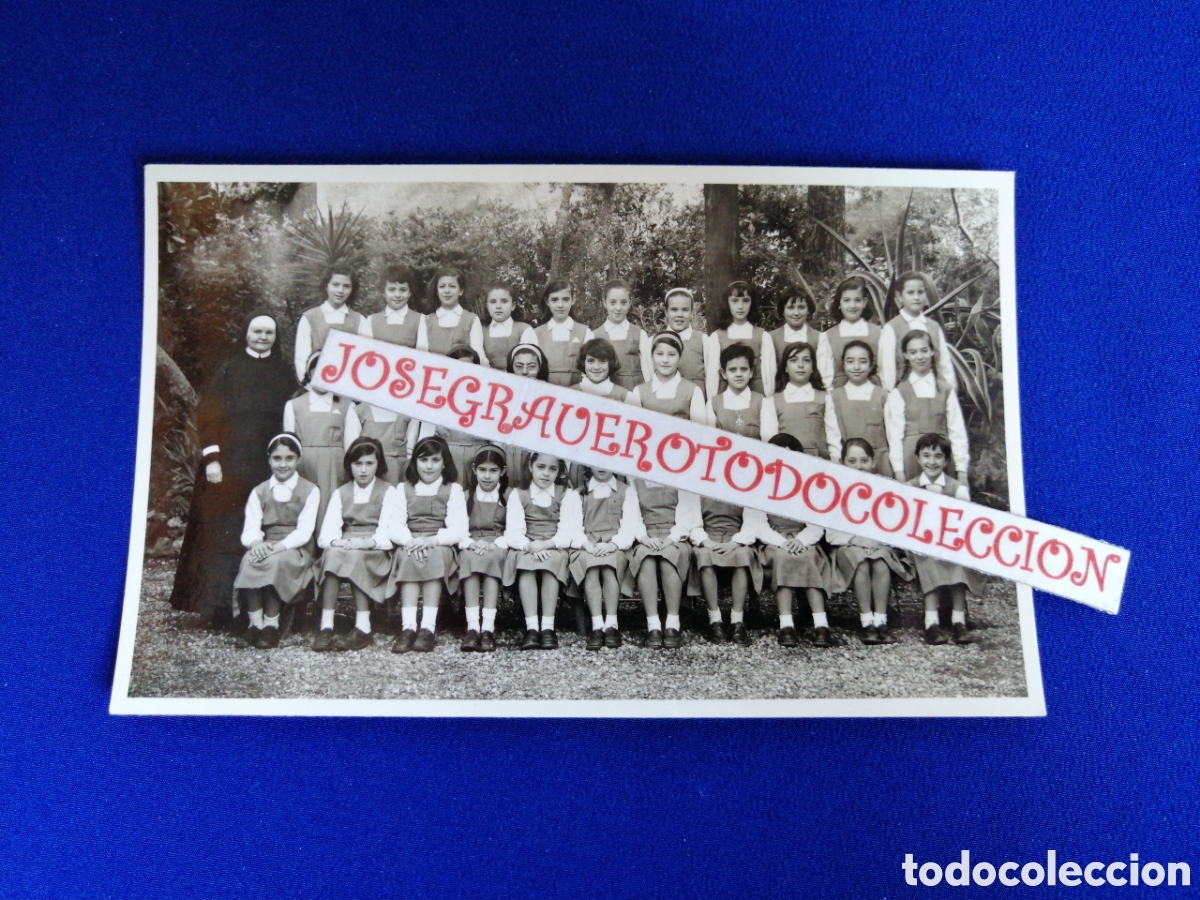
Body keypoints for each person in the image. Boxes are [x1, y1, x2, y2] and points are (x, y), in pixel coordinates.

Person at [170, 311, 298, 627]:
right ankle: (217, 609)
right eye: (257, 331)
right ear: (246, 333)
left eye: (269, 332)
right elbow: (209, 415)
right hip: (226, 466)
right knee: (224, 535)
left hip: (265, 467)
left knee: (259, 532)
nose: (263, 337)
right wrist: (212, 459)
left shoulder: (283, 374)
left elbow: (290, 421)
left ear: (275, 337)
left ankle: (257, 608)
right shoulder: (228, 369)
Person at [232, 433, 320, 649]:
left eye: (289, 458)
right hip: (267, 544)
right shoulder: (259, 491)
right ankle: (255, 624)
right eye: (277, 458)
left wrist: (278, 547)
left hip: (295, 548)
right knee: (251, 560)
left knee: (276, 562)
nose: (283, 464)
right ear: (269, 459)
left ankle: (271, 624)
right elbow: (250, 529)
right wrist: (256, 544)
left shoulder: (310, 490)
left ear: (298, 459)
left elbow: (304, 531)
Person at [313, 437, 398, 652]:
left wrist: (367, 542)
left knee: (355, 557)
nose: (363, 470)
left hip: (375, 549)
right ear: (350, 465)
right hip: (347, 546)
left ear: (378, 465)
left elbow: (389, 534)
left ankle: (363, 627)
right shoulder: (341, 493)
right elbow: (325, 536)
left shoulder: (388, 491)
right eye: (357, 464)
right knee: (331, 555)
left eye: (369, 464)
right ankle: (326, 626)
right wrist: (340, 542)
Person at [387, 436, 469, 653]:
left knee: (433, 556)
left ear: (444, 462)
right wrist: (410, 541)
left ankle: (428, 628)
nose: (429, 466)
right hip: (411, 542)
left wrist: (431, 540)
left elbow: (459, 530)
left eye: (435, 460)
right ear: (415, 462)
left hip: (439, 543)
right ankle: (408, 627)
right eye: (424, 460)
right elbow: (395, 525)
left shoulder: (453, 489)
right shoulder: (403, 489)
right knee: (407, 556)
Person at [825, 438, 911, 645]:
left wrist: (875, 539)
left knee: (881, 561)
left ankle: (881, 620)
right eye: (852, 461)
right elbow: (831, 534)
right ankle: (866, 622)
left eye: (864, 460)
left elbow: (892, 525)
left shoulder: (882, 490)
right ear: (843, 463)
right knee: (861, 562)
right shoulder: (836, 491)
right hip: (847, 547)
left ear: (873, 462)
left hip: (876, 545)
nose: (859, 466)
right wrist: (856, 538)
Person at [906, 433, 986, 645]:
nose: (932, 462)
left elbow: (964, 521)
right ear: (917, 458)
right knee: (928, 560)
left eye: (938, 456)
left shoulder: (956, 489)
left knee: (958, 561)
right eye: (926, 456)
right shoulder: (910, 487)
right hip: (920, 543)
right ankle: (931, 623)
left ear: (947, 460)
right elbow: (907, 521)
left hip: (950, 541)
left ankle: (958, 621)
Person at [500, 453, 584, 650]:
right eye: (541, 467)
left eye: (552, 469)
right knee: (526, 565)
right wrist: (531, 546)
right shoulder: (518, 494)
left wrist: (546, 545)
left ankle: (548, 627)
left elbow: (568, 532)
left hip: (554, 546)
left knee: (551, 564)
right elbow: (513, 532)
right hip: (526, 546)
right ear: (530, 466)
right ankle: (531, 628)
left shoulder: (567, 494)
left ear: (559, 471)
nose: (546, 473)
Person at [758, 434, 834, 648]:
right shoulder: (761, 485)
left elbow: (817, 523)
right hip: (775, 541)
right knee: (783, 559)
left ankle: (821, 624)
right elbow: (759, 525)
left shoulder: (809, 485)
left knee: (808, 557)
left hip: (804, 539)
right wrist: (781, 542)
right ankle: (786, 625)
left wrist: (801, 540)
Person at [284, 352, 359, 528]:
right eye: (319, 370)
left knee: (331, 508)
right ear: (309, 373)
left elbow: (352, 446)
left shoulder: (347, 405)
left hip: (335, 466)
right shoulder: (294, 405)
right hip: (305, 465)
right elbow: (289, 445)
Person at [884, 330, 969, 481]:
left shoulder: (945, 390)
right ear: (906, 355)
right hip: (911, 458)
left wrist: (961, 470)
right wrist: (898, 470)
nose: (919, 357)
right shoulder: (900, 392)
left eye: (924, 351)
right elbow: (895, 436)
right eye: (913, 352)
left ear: (931, 352)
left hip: (942, 455)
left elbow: (957, 431)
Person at [571, 468, 640, 650]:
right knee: (591, 568)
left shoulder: (627, 490)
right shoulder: (579, 493)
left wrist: (613, 545)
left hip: (615, 545)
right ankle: (596, 625)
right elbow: (574, 526)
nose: (601, 468)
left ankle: (611, 624)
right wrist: (587, 545)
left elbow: (629, 525)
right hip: (588, 545)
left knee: (610, 567)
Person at [631, 479, 700, 649]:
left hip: (674, 538)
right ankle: (653, 626)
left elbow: (685, 520)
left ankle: (672, 624)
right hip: (647, 538)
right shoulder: (635, 482)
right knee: (644, 558)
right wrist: (645, 539)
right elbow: (634, 518)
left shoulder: (681, 483)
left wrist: (669, 540)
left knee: (670, 558)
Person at [690, 494, 762, 647]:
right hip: (709, 539)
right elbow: (694, 524)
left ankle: (737, 621)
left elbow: (751, 525)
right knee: (704, 556)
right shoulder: (697, 489)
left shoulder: (744, 490)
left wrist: (734, 543)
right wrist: (706, 541)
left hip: (736, 540)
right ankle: (715, 621)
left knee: (743, 556)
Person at [458, 446, 511, 652]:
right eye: (482, 470)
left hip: (498, 545)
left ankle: (488, 627)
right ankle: (473, 627)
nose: (487, 476)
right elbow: (459, 531)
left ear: (503, 471)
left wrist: (493, 544)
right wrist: (472, 544)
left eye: (493, 471)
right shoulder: (464, 496)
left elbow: (513, 531)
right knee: (470, 558)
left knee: (491, 558)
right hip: (471, 544)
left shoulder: (509, 496)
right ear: (474, 469)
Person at [414, 345, 488, 486]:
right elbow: (426, 435)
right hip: (450, 456)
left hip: (480, 456)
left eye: (469, 367)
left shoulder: (487, 396)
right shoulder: (438, 396)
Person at [878, 271, 956, 391]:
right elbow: (887, 370)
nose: (916, 297)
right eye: (910, 293)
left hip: (935, 393)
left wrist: (949, 392)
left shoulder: (934, 327)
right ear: (899, 297)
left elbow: (944, 364)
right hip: (905, 393)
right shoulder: (891, 329)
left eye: (920, 292)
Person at [827, 340, 893, 477]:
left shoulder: (883, 396)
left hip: (880, 463)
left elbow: (892, 436)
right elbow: (833, 437)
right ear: (843, 364)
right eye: (850, 361)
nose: (856, 367)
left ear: (871, 365)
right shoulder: (834, 397)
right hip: (849, 465)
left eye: (863, 361)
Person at [293, 264, 365, 381]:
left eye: (346, 286)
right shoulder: (310, 318)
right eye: (335, 285)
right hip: (317, 387)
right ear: (326, 286)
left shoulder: (359, 320)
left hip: (348, 388)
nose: (340, 291)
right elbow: (302, 358)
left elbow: (363, 359)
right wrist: (312, 388)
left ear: (352, 289)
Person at [706, 280, 776, 398]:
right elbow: (712, 375)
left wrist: (768, 398)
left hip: (756, 396)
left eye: (745, 301)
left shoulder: (763, 336)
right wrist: (712, 402)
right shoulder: (717, 337)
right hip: (726, 397)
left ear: (751, 303)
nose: (740, 306)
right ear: (727, 303)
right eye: (734, 301)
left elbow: (769, 373)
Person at [817, 275, 881, 389]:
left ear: (864, 302)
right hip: (840, 398)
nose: (852, 306)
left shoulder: (878, 333)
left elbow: (886, 372)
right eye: (846, 300)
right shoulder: (828, 337)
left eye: (857, 300)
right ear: (839, 304)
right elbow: (825, 376)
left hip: (873, 396)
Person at [627, 331, 706, 423]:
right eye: (659, 354)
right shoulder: (639, 392)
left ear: (680, 357)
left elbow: (700, 431)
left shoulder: (693, 391)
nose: (665, 360)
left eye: (671, 355)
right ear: (652, 356)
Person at [704, 342, 778, 441]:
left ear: (751, 372)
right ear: (724, 373)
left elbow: (769, 440)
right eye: (732, 370)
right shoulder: (713, 404)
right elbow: (709, 440)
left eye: (743, 369)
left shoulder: (762, 402)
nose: (738, 374)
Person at [774, 341, 836, 458]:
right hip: (788, 463)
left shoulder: (824, 397)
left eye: (806, 360)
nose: (800, 365)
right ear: (785, 367)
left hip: (820, 462)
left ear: (813, 367)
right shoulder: (774, 401)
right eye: (794, 360)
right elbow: (770, 440)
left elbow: (834, 437)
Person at [416, 266, 489, 363]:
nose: (447, 291)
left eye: (452, 286)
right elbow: (421, 356)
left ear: (461, 291)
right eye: (442, 286)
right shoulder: (426, 320)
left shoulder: (471, 319)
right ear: (437, 291)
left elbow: (479, 355)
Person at [503, 343, 550, 490]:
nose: (524, 371)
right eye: (519, 366)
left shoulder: (550, 395)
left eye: (531, 366)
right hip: (509, 454)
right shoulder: (503, 395)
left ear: (539, 368)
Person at [592, 279, 651, 389]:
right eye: (613, 302)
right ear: (605, 302)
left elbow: (648, 368)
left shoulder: (640, 334)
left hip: (635, 394)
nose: (618, 308)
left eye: (623, 302)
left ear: (629, 302)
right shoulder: (595, 336)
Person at [533, 277, 592, 386]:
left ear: (573, 300)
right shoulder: (536, 334)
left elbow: (591, 369)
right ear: (547, 301)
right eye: (554, 300)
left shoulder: (585, 332)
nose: (560, 305)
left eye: (565, 299)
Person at [769, 291, 832, 387]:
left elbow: (825, 374)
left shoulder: (819, 338)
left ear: (808, 310)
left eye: (801, 307)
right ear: (783, 310)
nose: (796, 313)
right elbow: (768, 374)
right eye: (790, 308)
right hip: (780, 395)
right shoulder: (771, 338)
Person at [480, 280, 537, 371]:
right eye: (493, 302)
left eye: (504, 301)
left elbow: (529, 362)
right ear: (487, 306)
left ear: (513, 306)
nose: (498, 306)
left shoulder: (524, 329)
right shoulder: (480, 330)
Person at [664, 288, 709, 397]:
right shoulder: (655, 341)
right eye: (674, 309)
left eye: (685, 310)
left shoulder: (703, 340)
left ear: (692, 312)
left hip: (696, 401)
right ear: (666, 312)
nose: (679, 314)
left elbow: (711, 378)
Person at [361, 264, 421, 346]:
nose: (397, 295)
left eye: (403, 290)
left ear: (410, 292)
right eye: (392, 290)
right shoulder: (371, 321)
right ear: (383, 292)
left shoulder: (420, 320)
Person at [574, 337, 628, 402]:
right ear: (583, 363)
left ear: (610, 363)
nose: (596, 367)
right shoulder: (570, 392)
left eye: (602, 361)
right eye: (591, 361)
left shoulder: (624, 395)